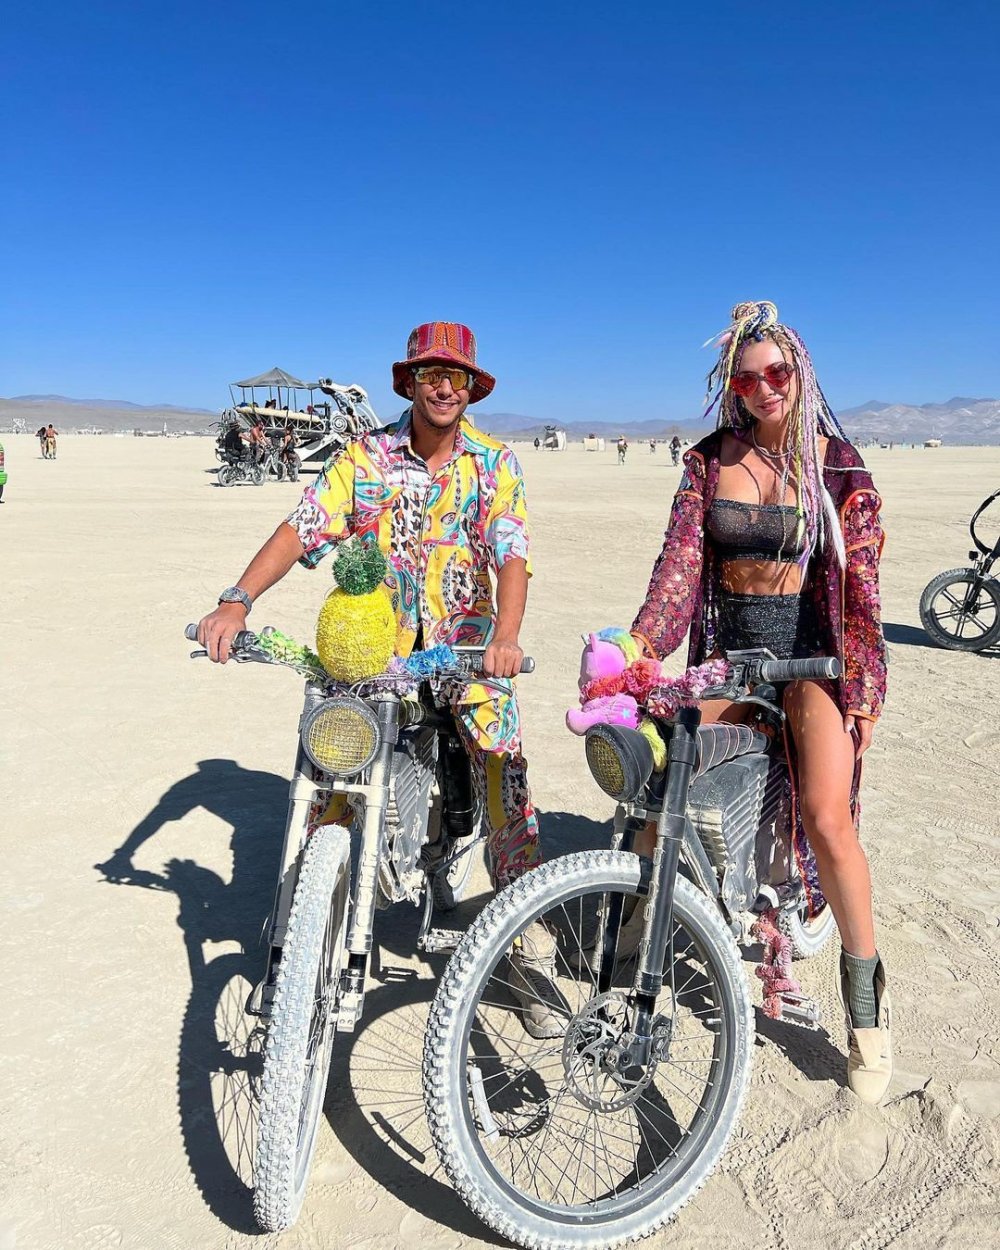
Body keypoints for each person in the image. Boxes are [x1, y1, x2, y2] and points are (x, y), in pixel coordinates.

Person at [195, 321, 560, 1037]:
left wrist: (506, 638)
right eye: (430, 375)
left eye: (456, 377)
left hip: (466, 652)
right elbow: (303, 525)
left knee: (506, 787)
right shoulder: (364, 458)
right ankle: (298, 944)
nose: (443, 388)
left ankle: (517, 954)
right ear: (410, 383)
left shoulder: (494, 463)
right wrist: (237, 600)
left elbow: (512, 552)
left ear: (472, 387)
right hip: (372, 655)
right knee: (328, 773)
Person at [629, 300, 890, 1102]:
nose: (763, 387)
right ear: (730, 388)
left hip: (814, 656)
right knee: (660, 776)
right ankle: (627, 928)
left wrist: (861, 689)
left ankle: (868, 1012)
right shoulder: (708, 461)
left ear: (799, 372)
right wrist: (638, 651)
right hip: (730, 654)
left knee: (827, 816)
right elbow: (678, 572)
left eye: (777, 372)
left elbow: (860, 589)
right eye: (746, 379)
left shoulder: (840, 469)